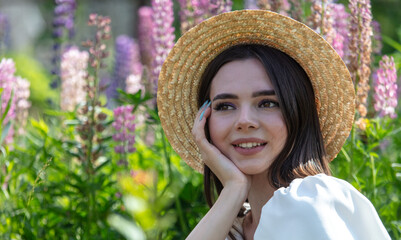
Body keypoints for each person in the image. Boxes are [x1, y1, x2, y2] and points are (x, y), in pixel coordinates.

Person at [157, 10, 391, 240]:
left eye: (267, 103)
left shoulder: (310, 204)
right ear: (205, 121)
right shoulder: (233, 225)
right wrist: (234, 190)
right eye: (225, 106)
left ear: (298, 112)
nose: (244, 121)